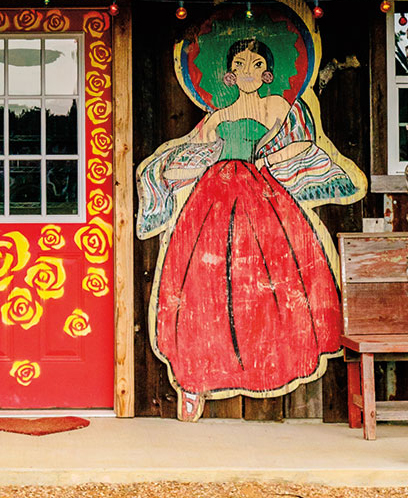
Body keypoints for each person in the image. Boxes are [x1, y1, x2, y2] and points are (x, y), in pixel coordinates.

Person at [137, 32, 360, 420]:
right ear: (227, 75)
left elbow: (300, 143)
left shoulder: (279, 106)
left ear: (269, 72)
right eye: (238, 64)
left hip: (263, 194)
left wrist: (274, 156)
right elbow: (196, 152)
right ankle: (199, 374)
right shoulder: (217, 117)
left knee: (268, 282)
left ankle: (270, 365)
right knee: (204, 287)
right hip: (213, 197)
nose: (247, 71)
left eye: (256, 65)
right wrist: (170, 171)